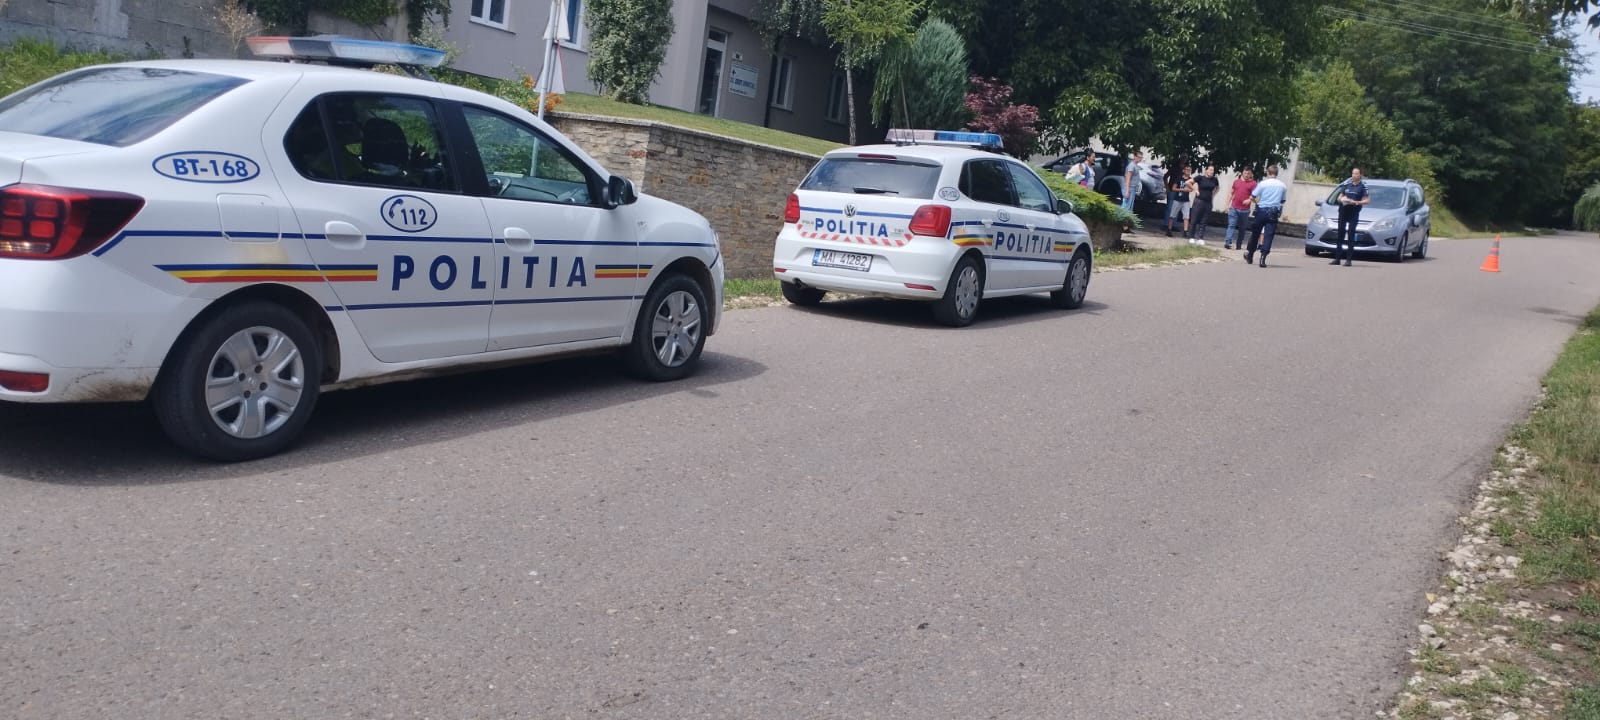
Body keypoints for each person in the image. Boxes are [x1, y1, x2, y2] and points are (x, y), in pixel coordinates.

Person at [1243, 165, 1287, 267]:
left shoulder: (1262, 184)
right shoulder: (1282, 186)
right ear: (1276, 173)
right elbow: (1283, 200)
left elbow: (1253, 196)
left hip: (1262, 210)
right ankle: (1263, 257)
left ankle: (1250, 253)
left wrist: (1258, 201)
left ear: (1268, 172)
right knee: (1268, 235)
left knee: (1255, 233)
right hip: (1273, 212)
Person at [1332, 166, 1371, 267]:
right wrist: (1342, 199)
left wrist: (1357, 202)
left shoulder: (1363, 186)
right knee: (1340, 234)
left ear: (1360, 175)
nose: (1354, 175)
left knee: (1351, 234)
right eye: (1353, 173)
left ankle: (1348, 260)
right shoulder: (1347, 184)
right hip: (1343, 210)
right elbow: (1339, 196)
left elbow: (1367, 200)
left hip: (1354, 211)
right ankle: (1337, 258)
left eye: (1356, 173)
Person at [1224, 168, 1257, 250]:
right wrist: (1227, 204)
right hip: (1234, 207)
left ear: (1251, 174)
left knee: (1242, 228)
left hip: (1245, 210)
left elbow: (1256, 197)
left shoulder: (1253, 184)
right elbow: (1231, 193)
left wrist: (1249, 200)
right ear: (1242, 173)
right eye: (1245, 173)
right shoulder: (1236, 182)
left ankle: (1239, 244)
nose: (1246, 175)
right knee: (1231, 225)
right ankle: (1228, 242)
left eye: (1248, 173)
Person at [1187, 164, 1220, 245]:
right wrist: (1195, 190)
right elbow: (1188, 182)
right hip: (1199, 201)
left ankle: (1200, 237)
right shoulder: (1200, 178)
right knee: (1194, 219)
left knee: (1204, 220)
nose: (1212, 172)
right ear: (1206, 170)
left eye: (1213, 170)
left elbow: (1217, 188)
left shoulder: (1214, 179)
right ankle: (1191, 237)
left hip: (1208, 202)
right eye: (1210, 170)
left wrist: (1213, 195)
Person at [1164, 163, 1192, 237]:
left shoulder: (1191, 179)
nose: (1188, 171)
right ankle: (1169, 229)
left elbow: (1192, 188)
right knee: (1172, 215)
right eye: (1187, 169)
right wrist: (1182, 189)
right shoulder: (1179, 178)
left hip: (1186, 200)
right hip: (1177, 199)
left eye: (1189, 170)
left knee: (1186, 216)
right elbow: (1173, 188)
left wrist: (1189, 189)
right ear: (1183, 170)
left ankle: (1185, 231)